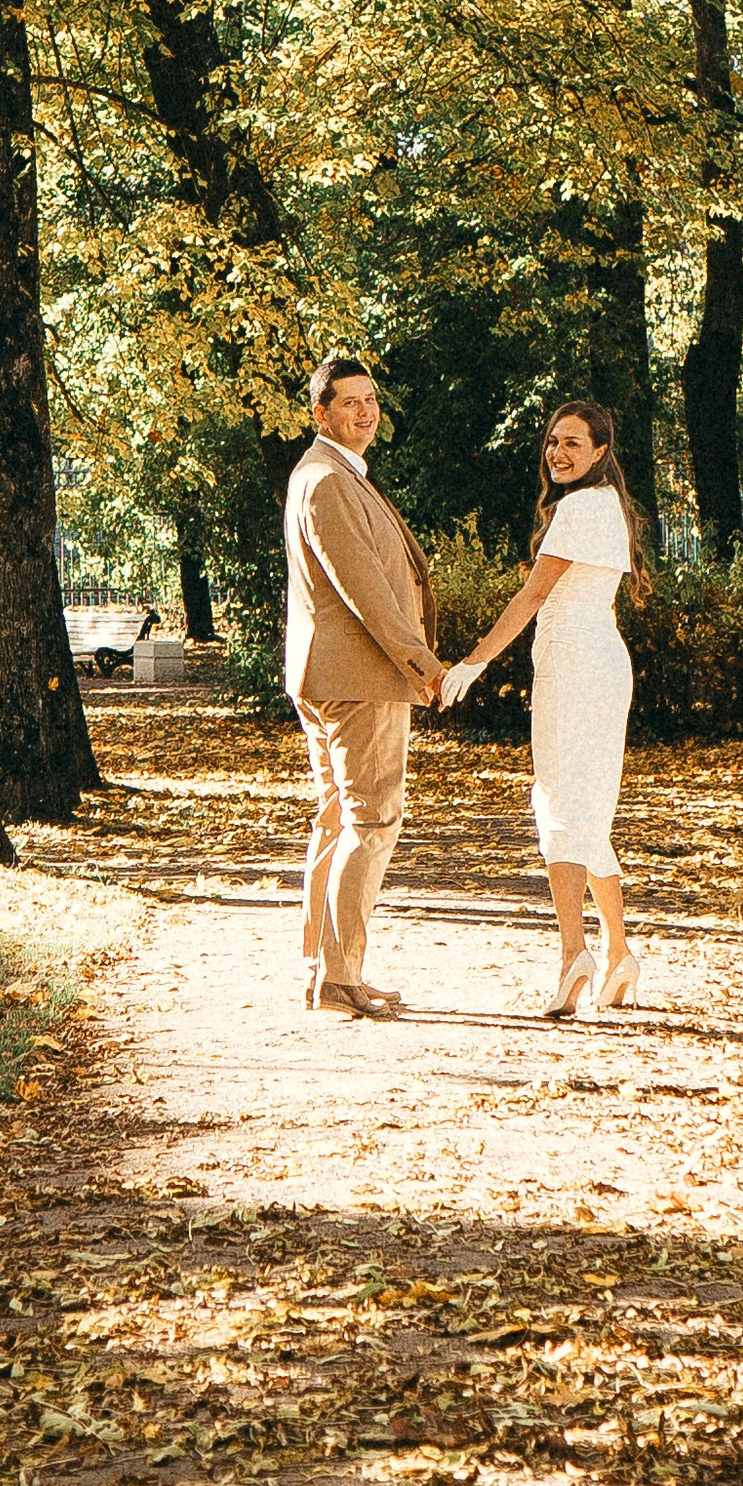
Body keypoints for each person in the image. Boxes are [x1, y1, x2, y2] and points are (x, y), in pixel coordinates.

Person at [441, 399, 646, 1018]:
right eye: (554, 442)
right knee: (587, 807)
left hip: (574, 662)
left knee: (559, 803)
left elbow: (533, 594)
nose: (558, 453)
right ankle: (618, 951)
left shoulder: (583, 506)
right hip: (599, 661)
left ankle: (572, 955)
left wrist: (472, 662)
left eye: (574, 445)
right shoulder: (604, 505)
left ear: (601, 454)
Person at [283, 352, 445, 1018]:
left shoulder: (338, 475)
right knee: (372, 820)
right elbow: (367, 593)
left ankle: (330, 969)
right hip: (358, 678)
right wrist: (422, 663)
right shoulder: (324, 480)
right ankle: (340, 976)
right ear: (322, 414)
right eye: (350, 402)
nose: (365, 411)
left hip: (339, 675)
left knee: (338, 820)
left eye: (372, 399)